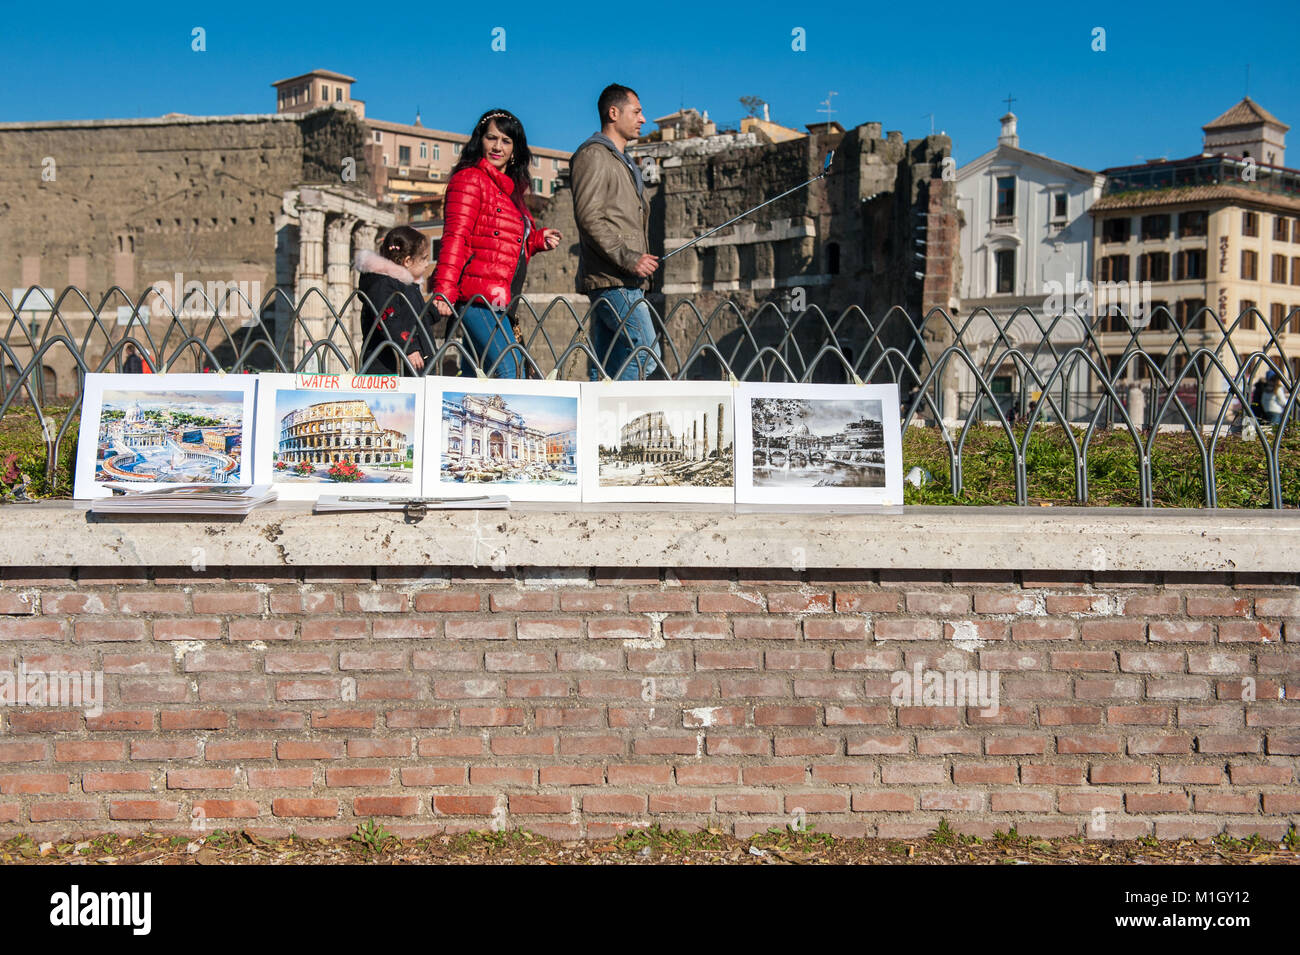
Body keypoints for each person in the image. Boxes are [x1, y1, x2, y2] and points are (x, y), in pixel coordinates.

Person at [431, 109, 561, 378]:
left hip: (502, 299)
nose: (497, 147)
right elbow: (456, 237)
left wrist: (535, 240)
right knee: (510, 367)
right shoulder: (469, 179)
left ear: (515, 150)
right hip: (476, 298)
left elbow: (501, 246)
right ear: (480, 140)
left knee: (478, 373)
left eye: (505, 141)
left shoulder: (512, 191)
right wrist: (444, 289)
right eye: (492, 138)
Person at [570, 84, 660, 380]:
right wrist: (629, 258)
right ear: (613, 113)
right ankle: (619, 420)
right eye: (637, 111)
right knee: (646, 354)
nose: (643, 119)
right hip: (614, 279)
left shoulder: (624, 162)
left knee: (607, 366)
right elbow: (589, 217)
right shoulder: (593, 155)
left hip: (623, 278)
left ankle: (602, 422)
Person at [357, 226, 434, 375]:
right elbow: (388, 319)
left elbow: (414, 320)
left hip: (407, 367)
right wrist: (408, 348)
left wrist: (435, 310)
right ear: (407, 261)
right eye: (424, 258)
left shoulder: (409, 286)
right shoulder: (382, 284)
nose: (427, 263)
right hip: (386, 368)